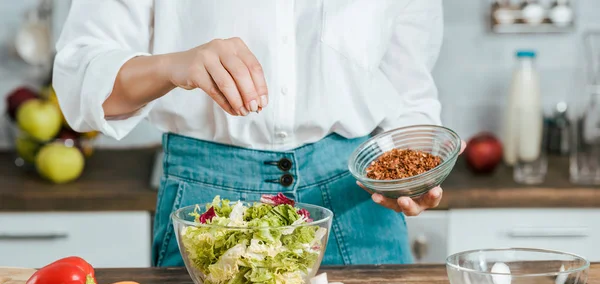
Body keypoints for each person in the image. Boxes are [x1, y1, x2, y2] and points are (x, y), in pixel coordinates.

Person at [53, 0, 457, 267]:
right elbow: (79, 85)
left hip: (357, 202)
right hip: (207, 205)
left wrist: (414, 175)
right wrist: (172, 66)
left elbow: (408, 92)